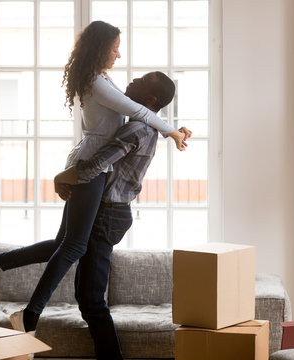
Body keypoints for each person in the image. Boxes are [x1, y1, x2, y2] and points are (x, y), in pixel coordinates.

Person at [0, 21, 186, 334]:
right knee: (74, 247)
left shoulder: (101, 79)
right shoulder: (97, 82)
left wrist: (173, 129)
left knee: (63, 243)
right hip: (91, 167)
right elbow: (142, 113)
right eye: (114, 48)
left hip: (90, 163)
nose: (119, 55)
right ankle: (30, 314)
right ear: (99, 49)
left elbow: (143, 113)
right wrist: (172, 132)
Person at [54, 71, 191, 360]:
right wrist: (173, 130)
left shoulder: (136, 129)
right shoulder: (143, 126)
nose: (131, 82)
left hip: (108, 214)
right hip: (111, 212)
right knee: (86, 297)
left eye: (139, 82)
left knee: (91, 300)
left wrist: (61, 177)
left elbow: (94, 166)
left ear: (149, 99)